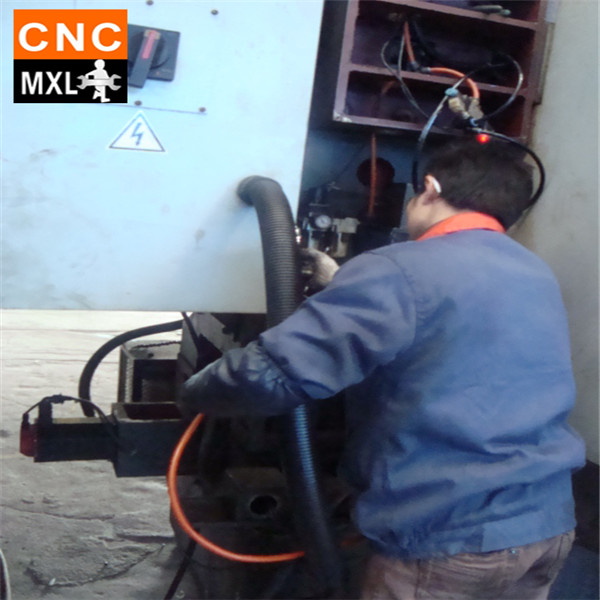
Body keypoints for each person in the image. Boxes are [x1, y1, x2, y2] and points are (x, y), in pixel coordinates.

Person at [179, 137, 585, 599]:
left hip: (446, 540)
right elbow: (450, 324)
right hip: (545, 528)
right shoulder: (534, 272)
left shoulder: (399, 269)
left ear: (429, 189)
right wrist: (342, 283)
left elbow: (268, 376)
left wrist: (193, 393)